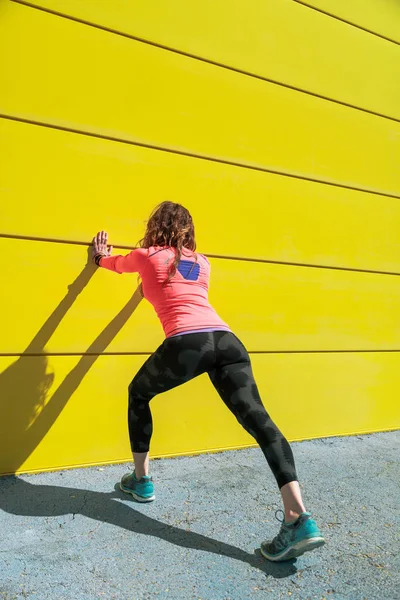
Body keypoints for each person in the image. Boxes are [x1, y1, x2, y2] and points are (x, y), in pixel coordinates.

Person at [92, 201, 325, 562]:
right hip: (227, 341)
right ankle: (299, 517)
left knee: (138, 393)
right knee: (260, 422)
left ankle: (141, 481)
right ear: (189, 230)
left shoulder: (145, 255)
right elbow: (177, 286)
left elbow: (116, 265)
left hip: (189, 341)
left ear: (155, 226)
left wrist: (99, 257)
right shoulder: (202, 263)